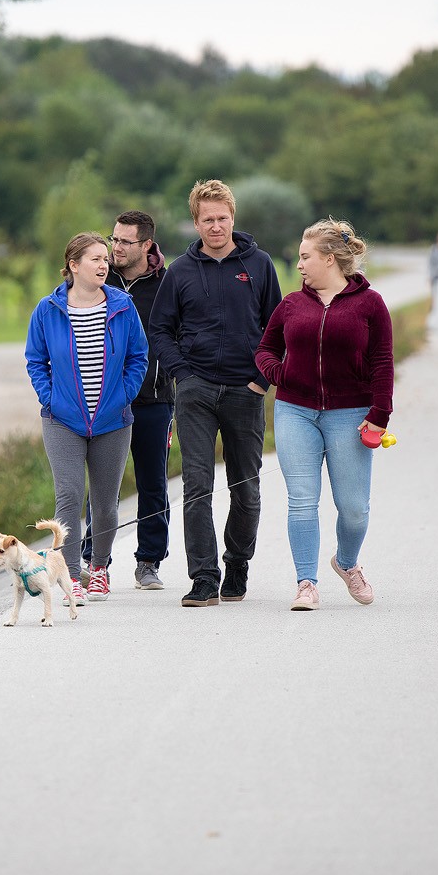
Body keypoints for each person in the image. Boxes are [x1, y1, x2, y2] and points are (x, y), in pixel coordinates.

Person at [148, 180, 283, 607]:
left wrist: (262, 380)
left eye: (222, 218)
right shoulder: (181, 272)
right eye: (208, 219)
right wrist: (183, 375)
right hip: (196, 391)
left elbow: (277, 330)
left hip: (246, 391)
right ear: (195, 222)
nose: (216, 226)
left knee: (246, 489)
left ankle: (237, 565)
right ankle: (203, 577)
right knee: (197, 486)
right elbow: (160, 330)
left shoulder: (259, 265)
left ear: (233, 216)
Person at [254, 218, 393, 611]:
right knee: (302, 499)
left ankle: (346, 563)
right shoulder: (291, 304)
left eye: (304, 257)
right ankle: (306, 583)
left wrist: (381, 412)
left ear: (329, 259)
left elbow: (383, 361)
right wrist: (281, 375)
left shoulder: (370, 304)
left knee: (354, 508)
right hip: (295, 411)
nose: (298, 265)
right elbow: (264, 349)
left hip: (352, 413)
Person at [25, 232, 148, 604]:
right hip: (62, 420)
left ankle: (99, 569)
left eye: (105, 259)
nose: (103, 265)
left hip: (113, 419)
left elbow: (138, 357)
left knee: (105, 500)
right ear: (73, 265)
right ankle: (69, 574)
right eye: (94, 259)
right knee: (68, 495)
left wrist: (123, 396)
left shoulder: (123, 306)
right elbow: (36, 360)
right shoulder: (48, 309)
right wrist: (51, 398)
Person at [106, 211, 175, 590]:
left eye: (125, 241)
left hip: (154, 400)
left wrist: (172, 373)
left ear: (147, 245)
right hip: (104, 403)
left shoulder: (167, 284)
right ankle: (92, 559)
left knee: (152, 483)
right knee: (103, 485)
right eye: (113, 239)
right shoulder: (99, 278)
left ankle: (148, 562)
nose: (116, 247)